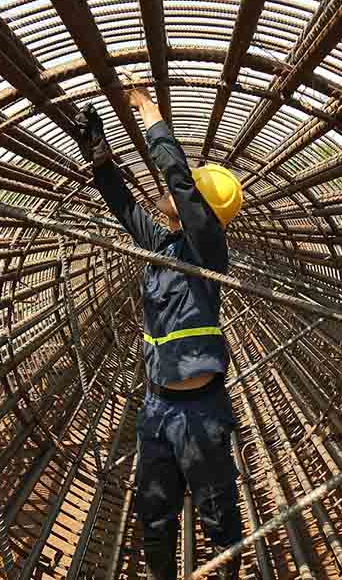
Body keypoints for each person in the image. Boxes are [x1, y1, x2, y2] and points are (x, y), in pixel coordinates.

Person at [75, 86, 244, 579]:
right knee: (154, 515)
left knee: (217, 515)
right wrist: (99, 152)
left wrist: (151, 117)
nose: (167, 193)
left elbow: (183, 187)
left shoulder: (207, 249)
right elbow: (124, 207)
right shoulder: (164, 246)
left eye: (182, 192)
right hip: (157, 406)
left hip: (202, 411)